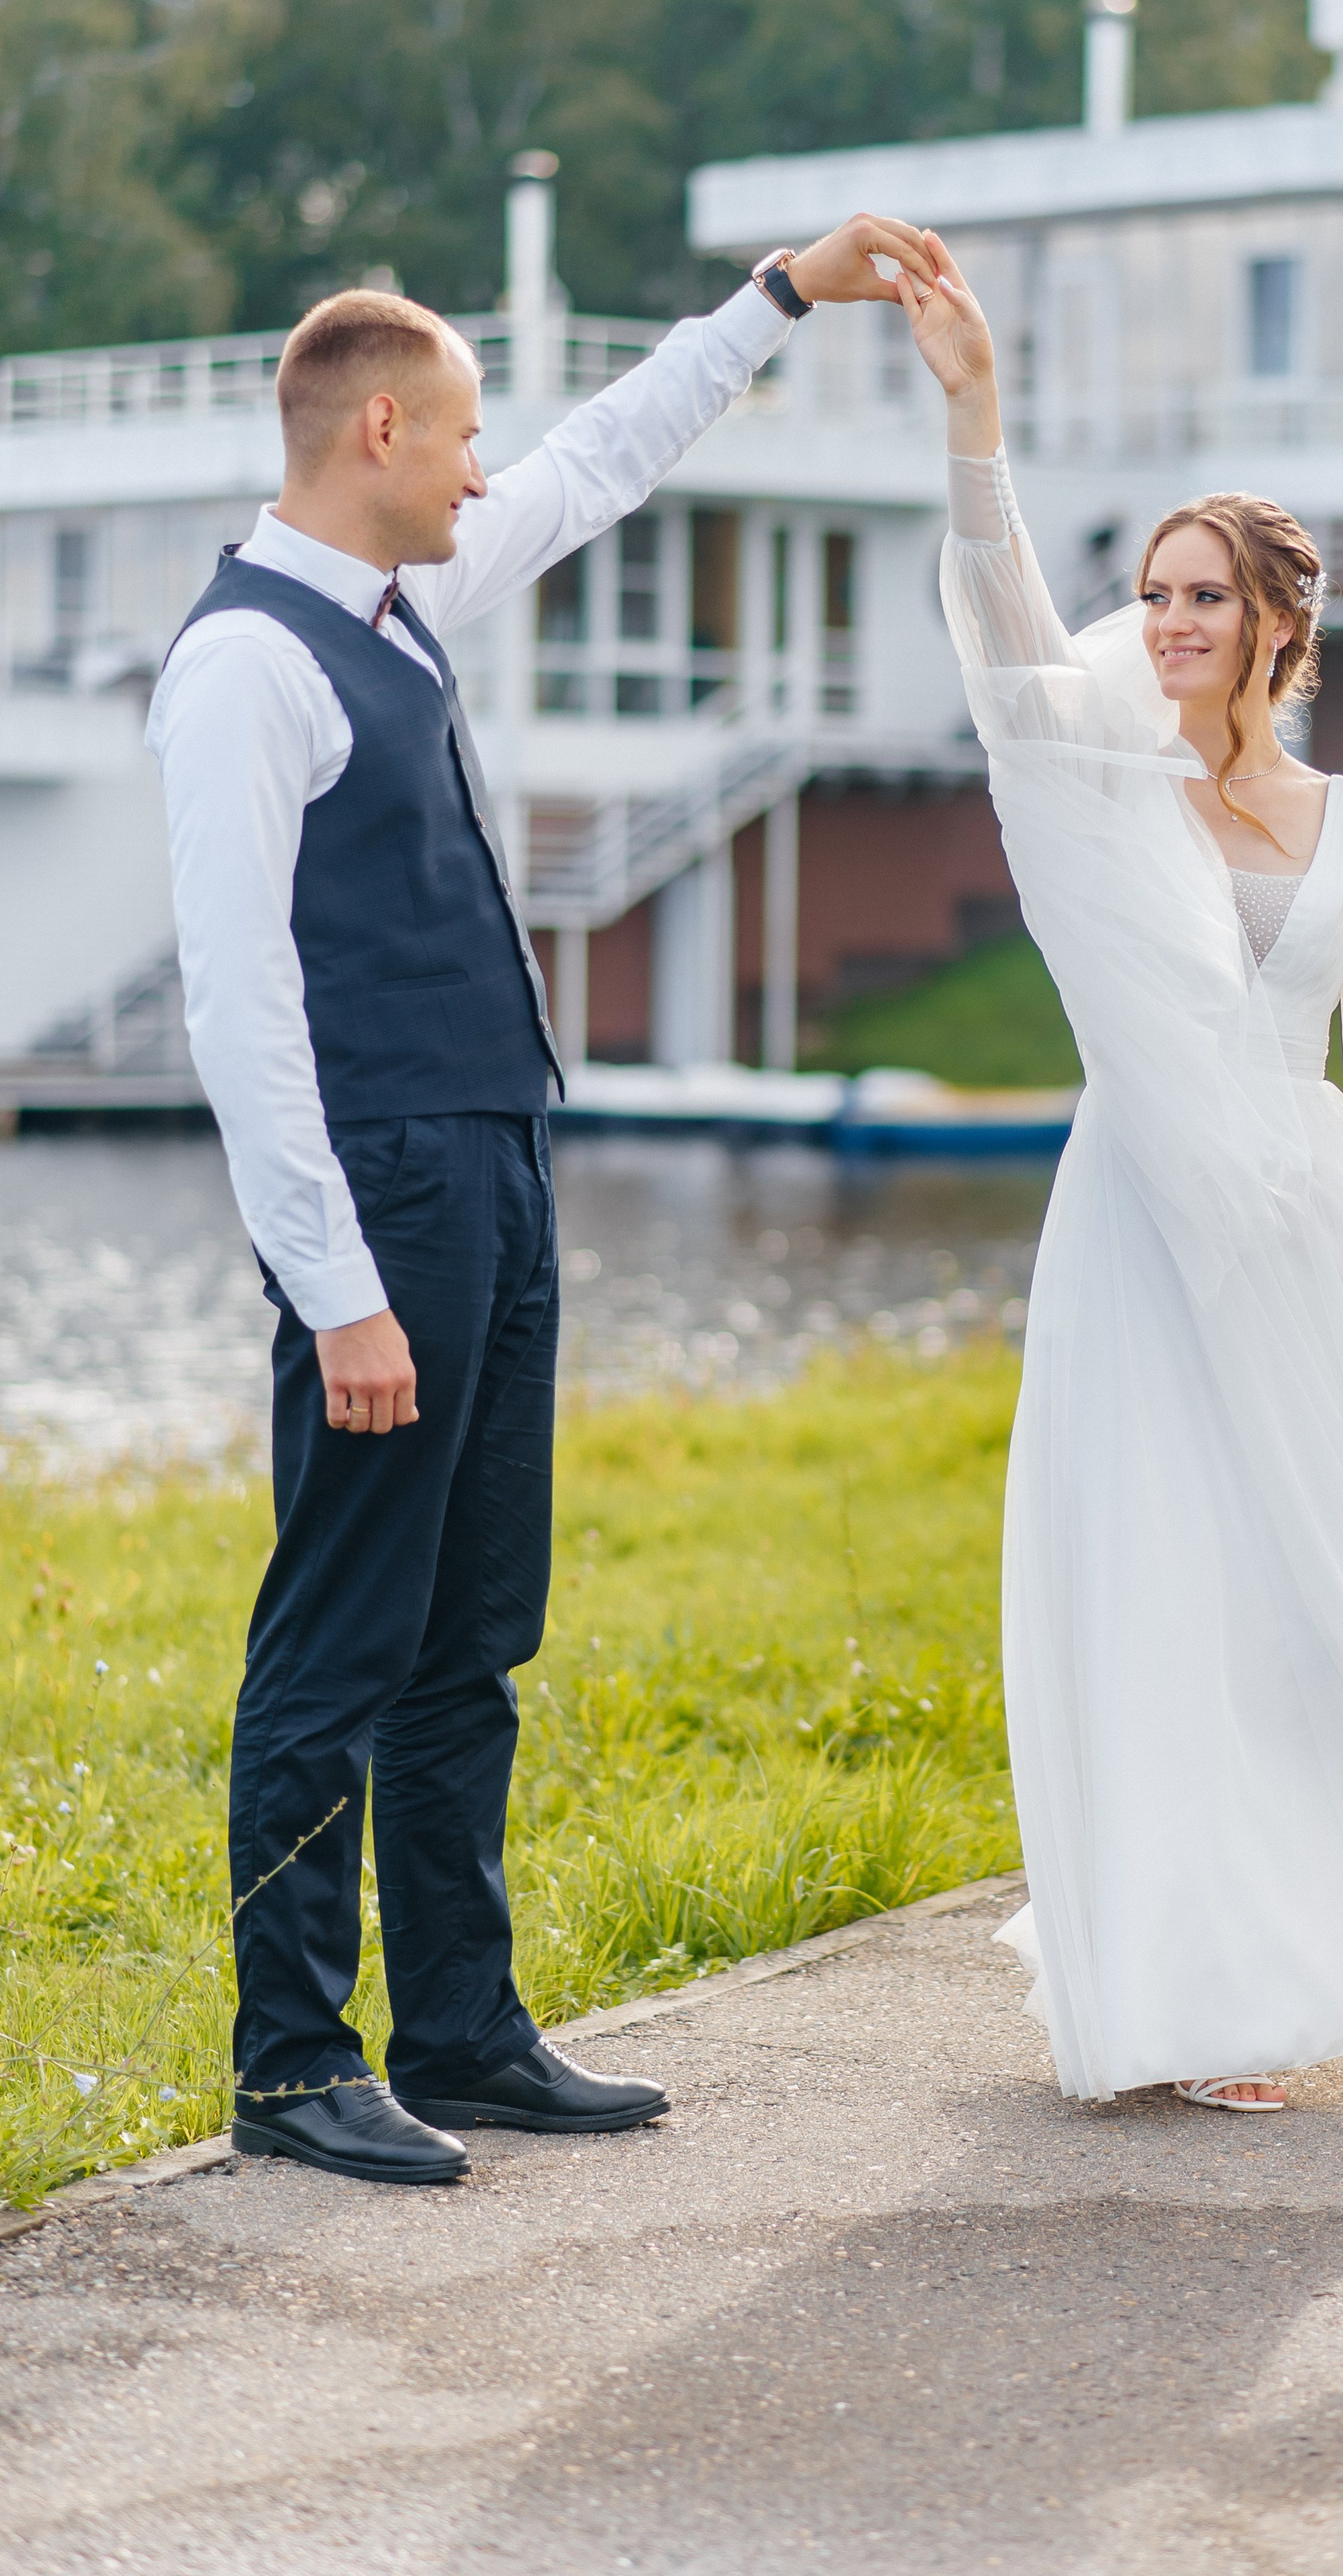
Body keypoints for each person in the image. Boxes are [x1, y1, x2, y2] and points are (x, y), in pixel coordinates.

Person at [149, 216, 936, 2185]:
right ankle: (291, 2064)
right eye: (461, 433)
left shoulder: (401, 601)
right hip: (385, 1187)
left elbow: (598, 464)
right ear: (382, 429)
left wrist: (774, 298)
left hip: (498, 1156)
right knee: (338, 1632)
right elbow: (239, 1009)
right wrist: (333, 1286)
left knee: (473, 1632)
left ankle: (463, 2032)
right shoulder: (246, 664)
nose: (483, 467)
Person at [894, 235, 1343, 2113]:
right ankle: (1169, 1986)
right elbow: (998, 626)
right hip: (1137, 1225)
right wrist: (973, 411)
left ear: (1275, 629)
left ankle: (1267, 1955)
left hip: (1300, 1231)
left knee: (1288, 1602)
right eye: (1150, 592)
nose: (1162, 622)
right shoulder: (1090, 776)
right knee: (1155, 1587)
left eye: (1200, 597)